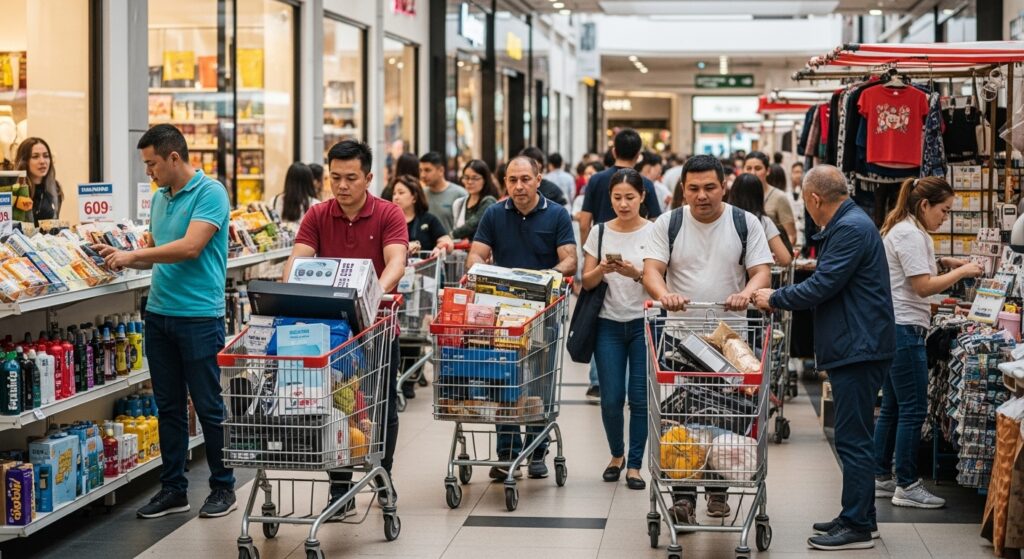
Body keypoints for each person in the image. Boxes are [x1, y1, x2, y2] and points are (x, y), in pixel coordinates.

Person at [94, 124, 235, 519]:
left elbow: (191, 247)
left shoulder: (212, 193)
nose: (148, 172)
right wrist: (122, 248)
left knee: (208, 406)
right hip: (159, 314)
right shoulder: (160, 197)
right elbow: (157, 244)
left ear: (174, 157)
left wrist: (133, 259)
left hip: (199, 317)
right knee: (168, 407)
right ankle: (174, 488)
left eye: (152, 163)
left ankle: (223, 487)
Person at [753, 165, 896, 551]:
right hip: (858, 342)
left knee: (853, 439)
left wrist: (775, 299)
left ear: (815, 199)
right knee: (854, 436)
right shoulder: (852, 223)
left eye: (804, 200)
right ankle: (859, 515)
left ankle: (857, 527)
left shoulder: (849, 228)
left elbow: (824, 285)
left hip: (859, 346)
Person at [642, 154, 773, 525]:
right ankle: (683, 496)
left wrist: (746, 293)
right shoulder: (669, 223)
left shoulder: (744, 223)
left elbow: (761, 271)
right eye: (694, 188)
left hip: (733, 342)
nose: (702, 196)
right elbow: (651, 269)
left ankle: (718, 487)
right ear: (683, 188)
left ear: (724, 186)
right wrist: (664, 293)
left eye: (710, 188)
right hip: (680, 341)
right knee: (681, 417)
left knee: (726, 416)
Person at [284, 140, 408, 518]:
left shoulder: (389, 214)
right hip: (333, 335)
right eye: (335, 177)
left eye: (351, 178)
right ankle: (340, 489)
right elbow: (298, 260)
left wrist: (370, 298)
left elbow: (396, 262)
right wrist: (286, 292)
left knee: (379, 406)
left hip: (377, 328)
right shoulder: (318, 216)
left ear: (369, 177)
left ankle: (381, 475)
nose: (341, 186)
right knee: (336, 407)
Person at [467, 155, 576, 481]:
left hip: (544, 313)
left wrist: (545, 277)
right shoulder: (494, 213)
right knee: (506, 382)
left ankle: (537, 450)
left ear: (538, 179)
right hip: (505, 316)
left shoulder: (556, 214)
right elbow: (476, 252)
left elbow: (569, 260)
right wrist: (477, 268)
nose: (519, 186)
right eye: (512, 180)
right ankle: (508, 452)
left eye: (525, 179)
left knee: (541, 382)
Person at [874, 177, 982, 509]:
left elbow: (910, 280)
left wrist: (946, 265)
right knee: (913, 409)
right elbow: (921, 287)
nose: (945, 218)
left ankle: (880, 475)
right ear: (925, 205)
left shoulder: (907, 230)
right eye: (944, 210)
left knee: (893, 407)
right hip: (905, 331)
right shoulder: (909, 233)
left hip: (897, 326)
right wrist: (964, 272)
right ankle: (906, 483)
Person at [581, 168, 652, 490]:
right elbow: (586, 281)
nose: (623, 204)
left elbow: (659, 281)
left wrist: (635, 273)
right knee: (610, 398)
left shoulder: (655, 231)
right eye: (617, 198)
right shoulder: (598, 232)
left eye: (630, 198)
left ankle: (635, 465)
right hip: (607, 324)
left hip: (642, 324)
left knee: (638, 398)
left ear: (642, 198)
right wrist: (602, 268)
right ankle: (616, 455)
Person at [579, 128, 662, 245]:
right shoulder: (645, 183)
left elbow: (584, 223)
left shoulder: (595, 179)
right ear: (638, 155)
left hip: (601, 245)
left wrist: (587, 250)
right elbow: (655, 221)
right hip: (636, 247)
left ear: (614, 152)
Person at [728, 174, 793, 266]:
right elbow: (785, 259)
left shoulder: (725, 218)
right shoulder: (763, 221)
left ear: (733, 193)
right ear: (759, 195)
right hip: (756, 276)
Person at [744, 151, 797, 247]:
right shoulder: (739, 195)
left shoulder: (779, 197)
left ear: (767, 171)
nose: (753, 173)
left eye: (758, 168)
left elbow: (791, 235)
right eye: (748, 168)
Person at [392, 174, 452, 254]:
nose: (396, 197)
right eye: (394, 193)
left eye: (401, 193)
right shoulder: (388, 221)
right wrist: (406, 247)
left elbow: (448, 242)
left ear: (414, 197)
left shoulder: (429, 220)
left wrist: (440, 248)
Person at [14, 137, 63, 226]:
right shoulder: (14, 189)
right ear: (25, 161)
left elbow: (55, 223)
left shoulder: (56, 188)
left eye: (46, 156)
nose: (42, 161)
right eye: (35, 156)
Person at [451, 159, 499, 241]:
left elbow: (473, 224)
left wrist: (450, 235)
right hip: (460, 252)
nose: (469, 182)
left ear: (485, 180)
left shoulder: (489, 201)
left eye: (475, 178)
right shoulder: (459, 203)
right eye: (466, 178)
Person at [419, 151, 467, 231]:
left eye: (427, 170)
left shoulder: (459, 193)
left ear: (441, 170)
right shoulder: (421, 193)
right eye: (421, 170)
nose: (423, 175)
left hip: (451, 242)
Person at [271, 162, 320, 230]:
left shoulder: (274, 200)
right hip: (305, 240)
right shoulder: (315, 204)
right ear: (309, 181)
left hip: (281, 239)